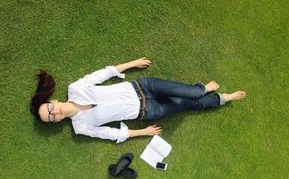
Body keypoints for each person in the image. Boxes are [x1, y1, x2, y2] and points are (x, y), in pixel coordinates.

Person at [30, 57, 246, 143]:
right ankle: (223, 98)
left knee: (194, 94)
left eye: (50, 108)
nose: (53, 112)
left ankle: (200, 88)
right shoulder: (81, 127)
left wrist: (132, 64)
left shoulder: (75, 89)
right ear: (55, 122)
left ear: (55, 101)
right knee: (190, 104)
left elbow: (102, 74)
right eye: (50, 117)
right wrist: (143, 132)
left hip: (144, 86)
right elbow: (110, 133)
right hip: (150, 110)